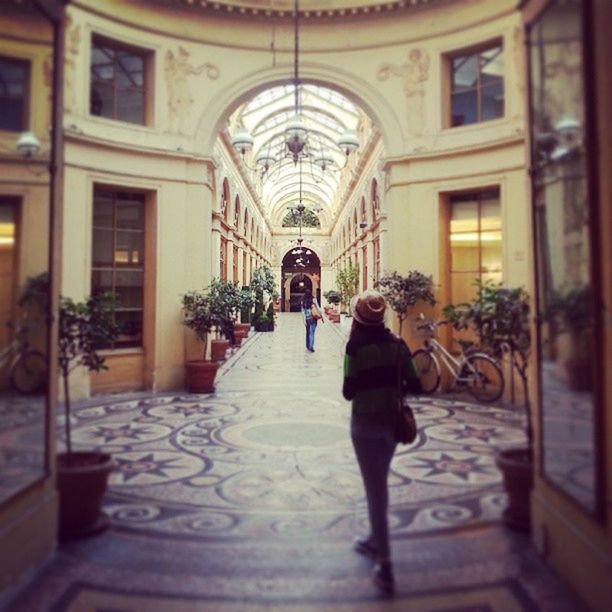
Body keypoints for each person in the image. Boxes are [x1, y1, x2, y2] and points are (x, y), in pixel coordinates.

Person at [342, 290, 421, 594]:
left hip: (364, 424)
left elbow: (348, 391)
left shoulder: (354, 347)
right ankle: (375, 539)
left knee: (374, 489)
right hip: (390, 424)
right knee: (379, 484)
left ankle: (385, 563)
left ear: (358, 318)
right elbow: (415, 384)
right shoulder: (399, 346)